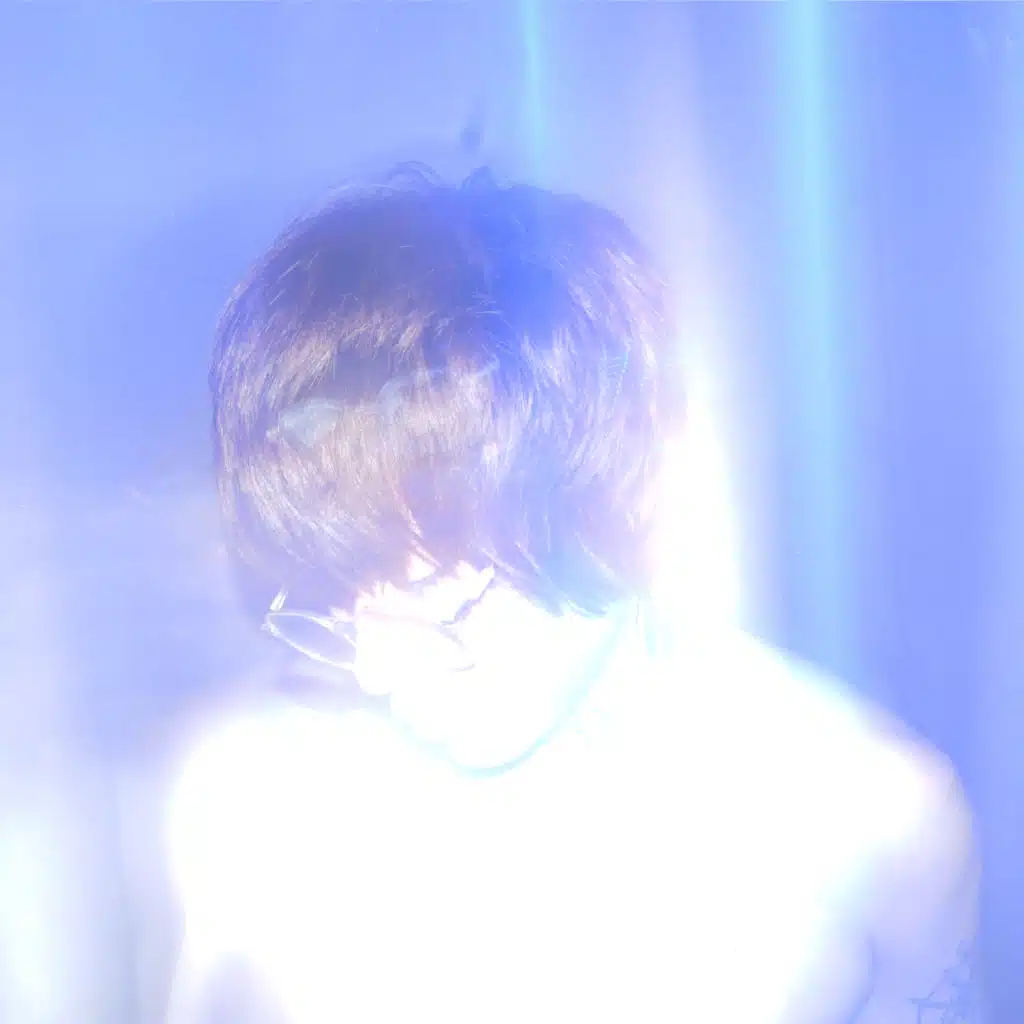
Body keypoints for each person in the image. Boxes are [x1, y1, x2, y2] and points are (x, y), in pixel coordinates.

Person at [166, 166, 980, 1023]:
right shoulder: (251, 805)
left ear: (599, 502)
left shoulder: (865, 811)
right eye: (334, 607)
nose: (375, 670)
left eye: (435, 597)